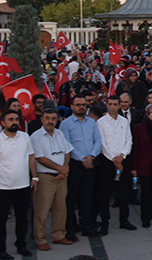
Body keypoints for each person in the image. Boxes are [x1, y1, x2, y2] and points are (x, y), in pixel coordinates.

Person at [0, 109, 37, 260]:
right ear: (2, 123)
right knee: (0, 220)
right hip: (3, 188)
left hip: (22, 185)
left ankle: (21, 244)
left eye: (16, 119)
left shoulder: (25, 137)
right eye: (10, 119)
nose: (14, 122)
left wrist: (34, 178)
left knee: (22, 218)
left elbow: (30, 158)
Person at [30, 108, 74, 251]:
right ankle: (40, 239)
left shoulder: (59, 133)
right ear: (42, 119)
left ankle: (58, 235)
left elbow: (67, 151)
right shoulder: (35, 137)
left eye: (53, 118)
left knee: (61, 208)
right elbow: (40, 158)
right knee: (42, 210)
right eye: (47, 118)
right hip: (46, 177)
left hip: (61, 177)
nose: (50, 121)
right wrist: (60, 168)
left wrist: (65, 168)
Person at [58, 96, 101, 240]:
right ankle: (70, 228)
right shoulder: (66, 124)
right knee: (72, 198)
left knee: (87, 197)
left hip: (90, 163)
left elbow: (97, 140)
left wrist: (91, 156)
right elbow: (67, 145)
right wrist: (82, 158)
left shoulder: (92, 123)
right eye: (78, 105)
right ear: (72, 106)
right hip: (75, 164)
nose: (81, 107)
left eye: (83, 105)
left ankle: (86, 226)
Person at [94, 95, 136, 233]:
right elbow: (102, 143)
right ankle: (105, 222)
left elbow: (129, 140)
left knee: (124, 192)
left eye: (115, 104)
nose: (112, 106)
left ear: (119, 105)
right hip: (107, 161)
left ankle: (124, 220)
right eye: (110, 104)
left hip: (123, 160)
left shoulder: (124, 121)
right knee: (105, 193)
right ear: (107, 104)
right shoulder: (101, 122)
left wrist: (122, 156)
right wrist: (114, 159)